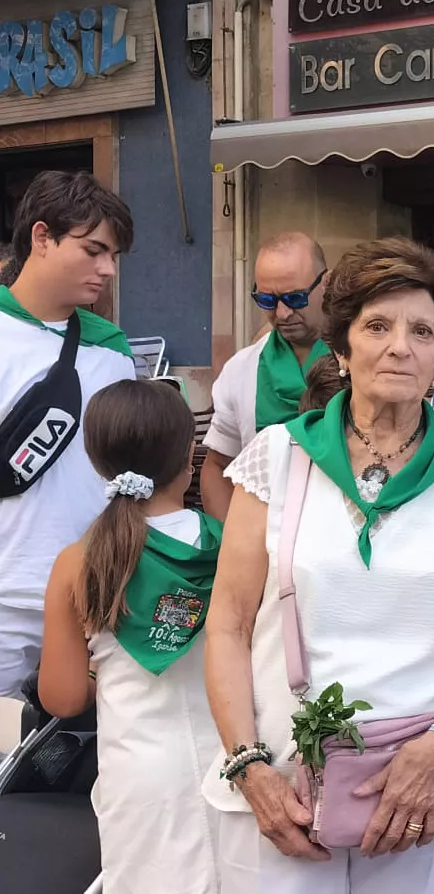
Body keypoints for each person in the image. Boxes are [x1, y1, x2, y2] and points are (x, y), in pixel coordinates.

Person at [202, 237, 434, 894]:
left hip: (420, 780)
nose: (399, 346)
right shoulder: (277, 457)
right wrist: (247, 763)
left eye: (421, 331)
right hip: (280, 781)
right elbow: (229, 624)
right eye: (377, 326)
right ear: (342, 348)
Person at [38, 379, 223, 893]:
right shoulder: (232, 548)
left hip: (136, 776)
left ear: (96, 461)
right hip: (234, 761)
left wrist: (108, 671)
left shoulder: (77, 562)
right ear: (191, 453)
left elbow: (63, 696)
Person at [0, 169, 136, 697]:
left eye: (114, 256)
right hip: (5, 599)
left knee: (73, 766)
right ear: (41, 237)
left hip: (89, 601)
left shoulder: (113, 348)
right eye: (93, 250)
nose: (107, 269)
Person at [201, 232, 330, 521]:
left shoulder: (364, 359)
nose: (282, 314)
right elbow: (218, 465)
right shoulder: (241, 369)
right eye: (267, 300)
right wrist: (233, 544)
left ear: (327, 282)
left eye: (295, 298)